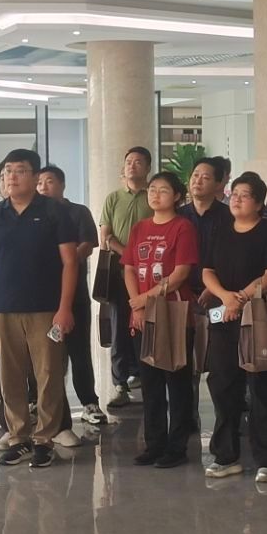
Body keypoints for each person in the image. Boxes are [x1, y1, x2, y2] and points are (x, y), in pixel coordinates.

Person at [0, 149, 81, 468]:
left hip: (46, 309)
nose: (11, 176)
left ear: (35, 177)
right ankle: (18, 436)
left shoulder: (53, 212)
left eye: (19, 170)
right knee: (9, 375)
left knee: (48, 375)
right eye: (7, 171)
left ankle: (44, 439)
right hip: (4, 309)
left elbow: (70, 262)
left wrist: (65, 308)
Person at [201, 175, 267, 484]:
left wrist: (239, 299)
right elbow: (207, 271)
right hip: (223, 315)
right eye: (234, 193)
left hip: (258, 314)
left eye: (245, 195)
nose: (236, 199)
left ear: (259, 202)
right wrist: (226, 298)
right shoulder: (220, 230)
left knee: (261, 385)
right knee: (222, 384)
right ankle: (226, 456)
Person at [125, 171, 201, 468]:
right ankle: (154, 444)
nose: (155, 195)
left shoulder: (183, 227)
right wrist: (137, 304)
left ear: (178, 196)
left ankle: (177, 446)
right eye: (152, 189)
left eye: (163, 190)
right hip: (143, 312)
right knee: (149, 381)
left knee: (176, 381)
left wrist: (146, 298)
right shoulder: (139, 227)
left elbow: (180, 273)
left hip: (172, 310)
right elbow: (129, 268)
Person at [38, 165, 106, 431]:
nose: (43, 187)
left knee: (79, 352)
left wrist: (63, 261)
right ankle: (41, 404)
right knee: (45, 355)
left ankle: (89, 403)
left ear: (62, 185)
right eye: (39, 182)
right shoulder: (36, 215)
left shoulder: (77, 212)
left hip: (74, 296)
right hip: (43, 298)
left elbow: (87, 246)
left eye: (49, 181)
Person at [99, 145, 153, 407]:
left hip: (149, 273)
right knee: (119, 325)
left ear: (148, 168)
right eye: (129, 161)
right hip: (119, 271)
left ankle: (144, 377)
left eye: (138, 162)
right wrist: (128, 256)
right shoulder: (113, 198)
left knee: (145, 324)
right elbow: (105, 236)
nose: (132, 165)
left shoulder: (153, 196)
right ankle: (119, 383)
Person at [181, 156, 228, 261]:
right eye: (195, 175)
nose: (198, 181)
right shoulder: (178, 215)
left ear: (218, 184)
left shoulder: (229, 216)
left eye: (205, 178)